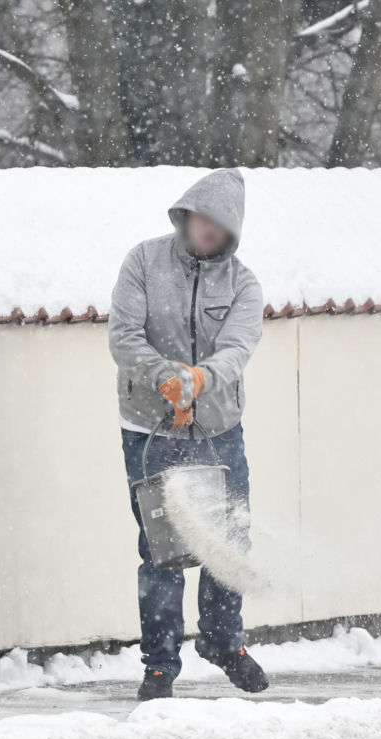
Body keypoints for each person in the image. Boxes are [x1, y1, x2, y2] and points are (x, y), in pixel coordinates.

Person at [108, 168, 269, 701]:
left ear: (230, 233)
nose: (207, 230)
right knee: (164, 550)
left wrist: (199, 380)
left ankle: (224, 642)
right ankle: (159, 664)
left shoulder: (244, 285)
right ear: (186, 215)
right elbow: (125, 336)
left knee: (228, 543)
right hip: (150, 429)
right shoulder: (143, 262)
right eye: (201, 218)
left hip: (219, 428)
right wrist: (166, 378)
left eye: (219, 225)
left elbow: (237, 349)